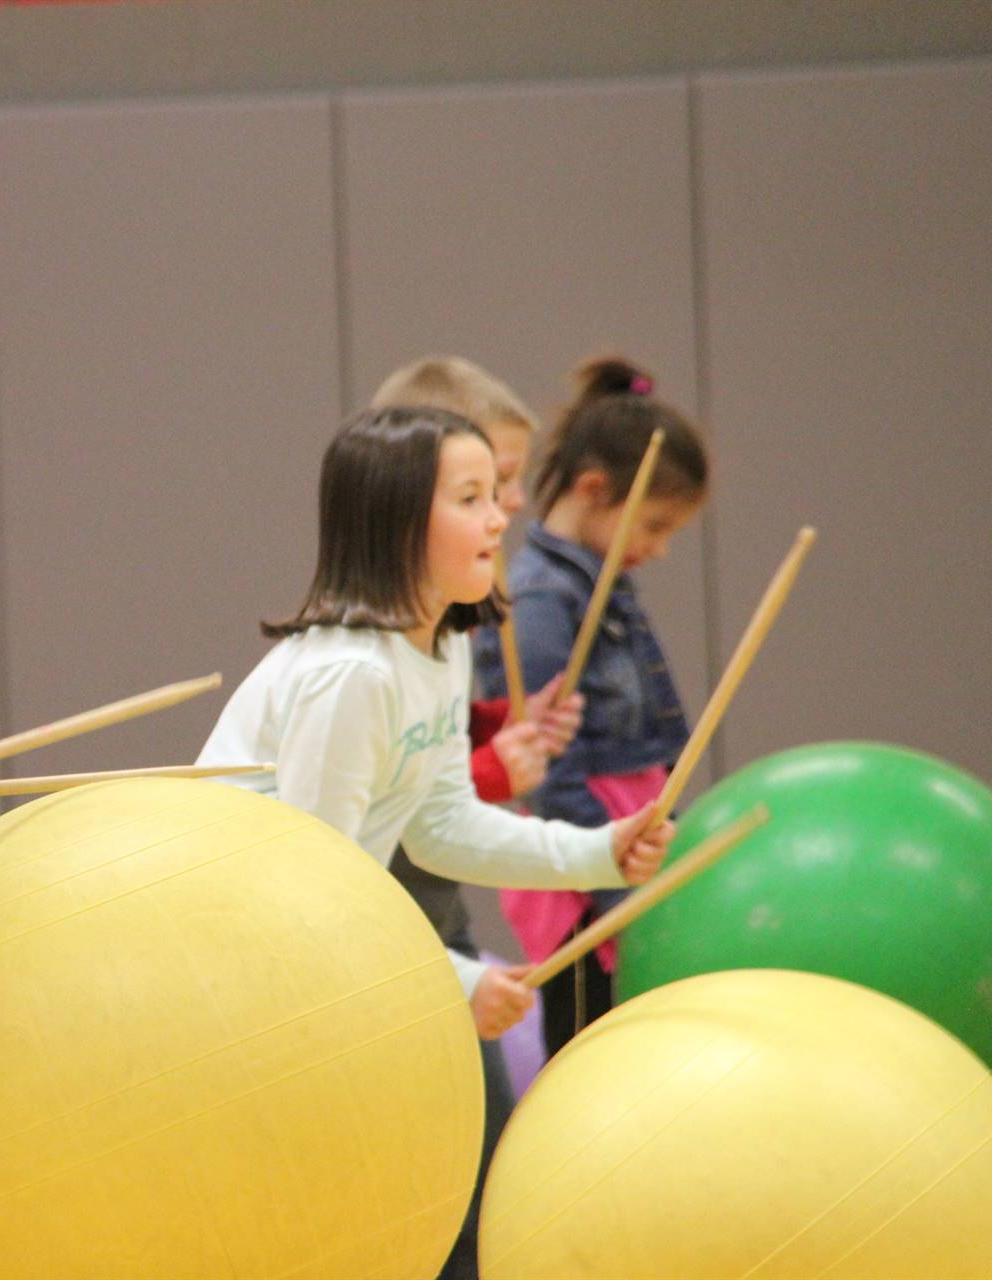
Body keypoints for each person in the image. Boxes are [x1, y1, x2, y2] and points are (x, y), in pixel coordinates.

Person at [195, 402, 673, 992]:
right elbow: (313, 890)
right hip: (226, 964)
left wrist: (602, 850)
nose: (499, 521)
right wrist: (457, 983)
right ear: (396, 521)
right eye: (471, 499)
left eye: (495, 497)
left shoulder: (444, 646)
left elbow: (440, 825)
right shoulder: (352, 677)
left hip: (295, 959)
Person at [365, 356, 583, 1280]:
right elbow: (361, 843)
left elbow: (440, 778)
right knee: (426, 1211)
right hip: (380, 968)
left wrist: (503, 736)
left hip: (434, 936)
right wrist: (498, 766)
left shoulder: (442, 642)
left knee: (480, 1194)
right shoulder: (353, 663)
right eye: (485, 485)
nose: (512, 507)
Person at [473, 354, 710, 1059]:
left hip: (620, 843)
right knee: (588, 1047)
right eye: (655, 525)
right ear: (593, 489)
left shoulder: (602, 580)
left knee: (636, 1043)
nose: (660, 549)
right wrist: (606, 875)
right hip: (580, 864)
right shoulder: (542, 598)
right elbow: (549, 771)